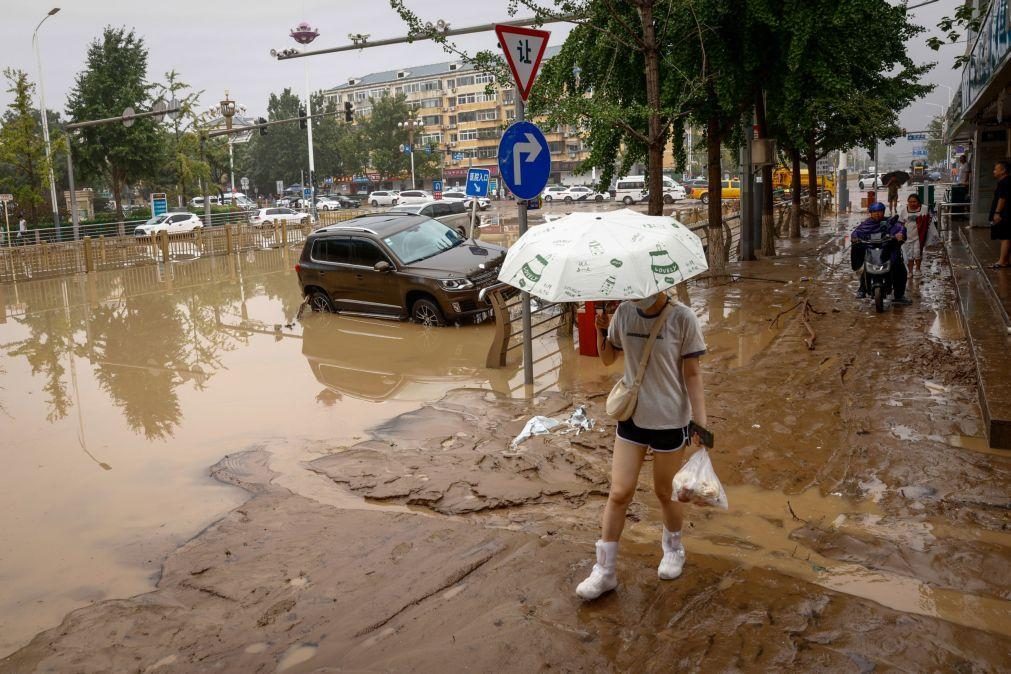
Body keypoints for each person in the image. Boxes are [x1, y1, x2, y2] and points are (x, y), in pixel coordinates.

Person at [577, 291, 708, 600]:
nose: (637, 294)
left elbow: (693, 373)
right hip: (631, 416)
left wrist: (700, 424)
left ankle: (674, 550)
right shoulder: (624, 312)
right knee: (619, 492)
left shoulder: (683, 318)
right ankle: (605, 571)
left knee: (665, 492)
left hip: (669, 420)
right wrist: (601, 330)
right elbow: (608, 359)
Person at [850, 202, 910, 304]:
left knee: (899, 268)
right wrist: (855, 238)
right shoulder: (865, 225)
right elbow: (856, 233)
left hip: (888, 251)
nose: (877, 214)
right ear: (871, 213)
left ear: (883, 212)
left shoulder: (890, 222)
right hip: (871, 252)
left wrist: (900, 234)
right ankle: (862, 289)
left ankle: (899, 295)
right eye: (874, 212)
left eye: (880, 212)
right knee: (865, 267)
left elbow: (901, 228)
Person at [900, 193, 935, 278]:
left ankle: (918, 269)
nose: (912, 203)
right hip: (907, 237)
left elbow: (929, 220)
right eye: (910, 202)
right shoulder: (904, 210)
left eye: (914, 201)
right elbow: (901, 223)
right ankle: (910, 271)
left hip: (919, 237)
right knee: (909, 255)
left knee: (917, 254)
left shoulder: (924, 209)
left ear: (918, 202)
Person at [989, 160, 1011, 268]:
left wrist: (997, 212)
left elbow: (1002, 198)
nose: (993, 171)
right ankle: (1005, 260)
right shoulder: (1006, 181)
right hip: (1006, 213)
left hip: (1004, 214)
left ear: (1003, 171)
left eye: (996, 169)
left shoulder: (1004, 183)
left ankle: (1002, 261)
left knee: (1005, 237)